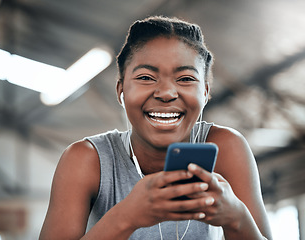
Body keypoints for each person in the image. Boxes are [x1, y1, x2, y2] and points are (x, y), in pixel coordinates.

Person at [39, 16, 273, 240]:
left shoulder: (226, 147)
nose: (167, 93)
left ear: (205, 92)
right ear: (121, 91)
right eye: (146, 77)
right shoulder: (86, 159)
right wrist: (126, 216)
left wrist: (237, 218)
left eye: (185, 79)